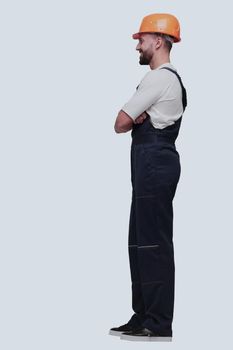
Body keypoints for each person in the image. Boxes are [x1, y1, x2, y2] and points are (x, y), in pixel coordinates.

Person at [109, 13, 187, 342]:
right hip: (149, 165)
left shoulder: (160, 79)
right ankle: (142, 315)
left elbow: (120, 121)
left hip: (154, 164)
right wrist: (135, 118)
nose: (137, 46)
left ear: (158, 41)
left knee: (153, 244)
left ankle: (157, 322)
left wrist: (136, 117)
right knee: (139, 243)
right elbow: (128, 120)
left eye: (141, 40)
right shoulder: (159, 80)